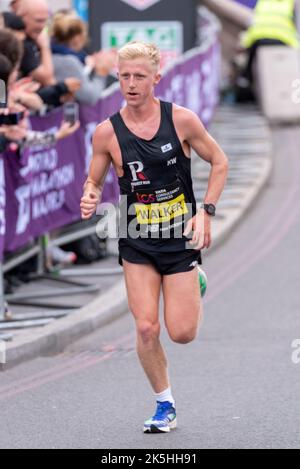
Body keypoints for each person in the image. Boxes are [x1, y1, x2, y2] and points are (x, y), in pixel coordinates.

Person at [80, 41, 228, 433]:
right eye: (124, 76)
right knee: (146, 327)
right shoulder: (105, 133)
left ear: (156, 78)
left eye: (139, 76)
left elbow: (219, 162)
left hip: (179, 236)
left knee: (182, 333)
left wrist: (206, 212)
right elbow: (93, 179)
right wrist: (91, 193)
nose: (131, 84)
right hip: (135, 237)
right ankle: (165, 406)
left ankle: (195, 280)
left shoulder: (181, 121)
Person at [237, 0, 300, 99]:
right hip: (282, 40)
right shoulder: (290, 3)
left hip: (258, 40)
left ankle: (246, 78)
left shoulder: (262, 2)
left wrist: (244, 43)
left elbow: (252, 23)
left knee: (251, 64)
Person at [50, 11, 116, 105]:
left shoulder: (57, 54)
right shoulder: (67, 61)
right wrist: (101, 71)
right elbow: (90, 97)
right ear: (77, 37)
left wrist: (89, 65)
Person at [16, 0, 55, 86]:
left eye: (45, 21)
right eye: (39, 21)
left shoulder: (33, 39)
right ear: (22, 17)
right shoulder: (22, 42)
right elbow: (47, 79)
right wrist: (45, 47)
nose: (42, 26)